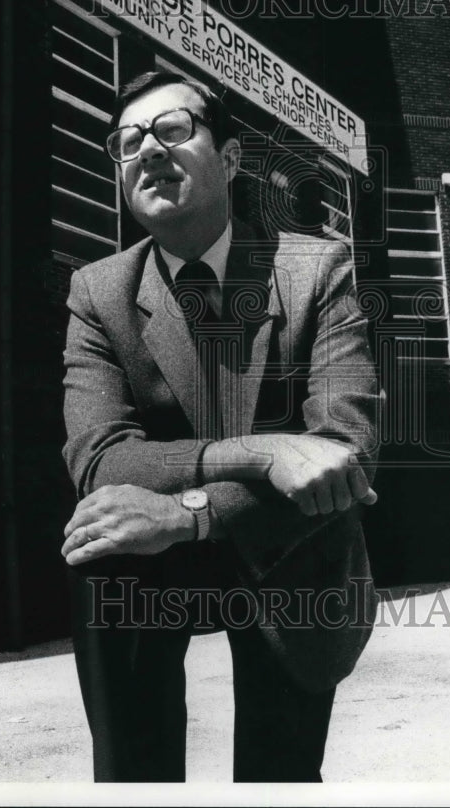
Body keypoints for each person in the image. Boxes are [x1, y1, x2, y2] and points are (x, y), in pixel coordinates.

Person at [60, 70, 382, 782]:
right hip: (156, 564)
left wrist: (190, 513)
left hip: (283, 540)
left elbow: (343, 453)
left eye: (172, 130)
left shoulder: (314, 269)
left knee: (278, 777)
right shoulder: (98, 290)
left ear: (230, 159)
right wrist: (265, 448)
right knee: (102, 538)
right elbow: (100, 460)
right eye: (127, 141)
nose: (147, 150)